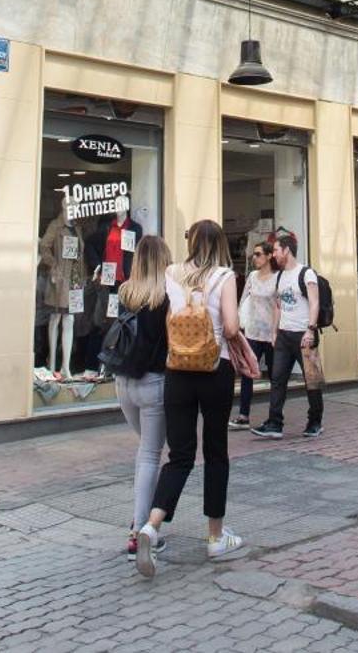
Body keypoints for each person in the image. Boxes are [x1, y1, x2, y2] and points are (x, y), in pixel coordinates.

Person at [135, 220, 245, 574]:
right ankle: (215, 537)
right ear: (219, 244)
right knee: (216, 452)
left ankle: (151, 525)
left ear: (192, 242)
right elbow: (229, 327)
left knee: (179, 455)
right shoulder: (225, 276)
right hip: (215, 368)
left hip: (177, 370)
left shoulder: (172, 273)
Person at [112, 234, 171, 558]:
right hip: (154, 382)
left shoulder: (126, 293)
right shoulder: (166, 297)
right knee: (151, 454)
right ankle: (141, 530)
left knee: (145, 452)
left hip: (124, 383)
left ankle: (139, 521)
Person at [253, 229, 322, 440]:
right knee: (277, 379)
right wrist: (274, 331)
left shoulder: (306, 273)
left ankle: (315, 422)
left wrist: (310, 329)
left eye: (275, 250)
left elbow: (314, 302)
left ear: (287, 250)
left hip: (303, 335)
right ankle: (274, 423)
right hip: (283, 334)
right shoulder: (280, 276)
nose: (273, 254)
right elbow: (278, 305)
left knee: (312, 380)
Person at [229, 238, 277, 430]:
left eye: (258, 254)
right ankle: (243, 415)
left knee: (275, 376)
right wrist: (239, 324)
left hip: (272, 333)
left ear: (268, 256)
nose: (254, 258)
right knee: (248, 372)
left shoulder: (277, 278)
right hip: (253, 332)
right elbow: (243, 301)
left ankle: (275, 416)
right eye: (254, 254)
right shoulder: (252, 277)